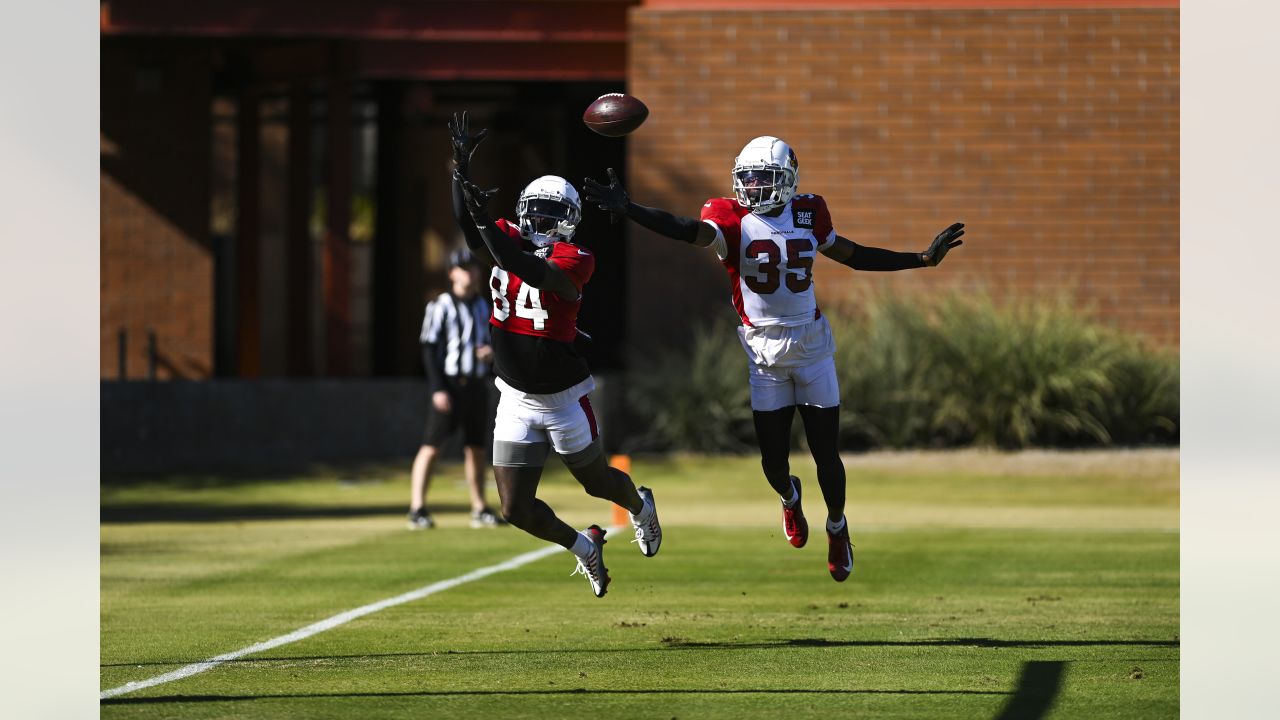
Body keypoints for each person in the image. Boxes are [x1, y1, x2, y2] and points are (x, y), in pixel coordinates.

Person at [582, 136, 964, 582]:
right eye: (748, 178)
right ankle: (789, 498)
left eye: (765, 178)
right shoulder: (727, 217)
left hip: (812, 347)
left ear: (788, 180)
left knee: (827, 454)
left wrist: (920, 259)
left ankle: (837, 527)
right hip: (763, 354)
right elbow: (686, 229)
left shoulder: (809, 212)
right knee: (773, 464)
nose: (756, 187)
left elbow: (853, 256)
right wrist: (633, 210)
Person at [447, 111, 662, 598]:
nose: (540, 221)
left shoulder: (577, 257)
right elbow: (467, 228)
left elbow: (526, 267)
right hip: (515, 396)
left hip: (564, 396)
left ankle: (640, 504)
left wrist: (484, 219)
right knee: (514, 509)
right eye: (535, 211)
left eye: (551, 214)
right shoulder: (505, 233)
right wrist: (459, 172)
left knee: (596, 481)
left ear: (569, 221)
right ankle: (584, 547)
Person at [408, 247, 505, 530]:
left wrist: (490, 355)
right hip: (450, 385)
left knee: (475, 447)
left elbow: (493, 343)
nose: (469, 272)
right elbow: (428, 350)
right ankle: (417, 507)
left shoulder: (484, 306)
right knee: (431, 446)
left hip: (476, 385)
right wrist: (437, 389)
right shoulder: (439, 306)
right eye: (463, 268)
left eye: (472, 267)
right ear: (452, 273)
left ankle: (479, 507)